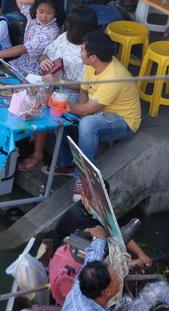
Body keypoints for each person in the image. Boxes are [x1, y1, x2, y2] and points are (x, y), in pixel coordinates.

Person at [56, 31, 142, 200]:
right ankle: (66, 163)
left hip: (123, 121)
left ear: (93, 56)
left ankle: (83, 178)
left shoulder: (114, 76)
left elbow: (87, 109)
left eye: (82, 50)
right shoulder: (92, 65)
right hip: (99, 112)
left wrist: (58, 105)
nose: (80, 53)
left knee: (87, 124)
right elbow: (83, 90)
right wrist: (75, 111)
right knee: (66, 118)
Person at [17, 6, 99, 171]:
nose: (67, 25)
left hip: (74, 94)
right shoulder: (64, 37)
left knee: (44, 106)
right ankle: (24, 142)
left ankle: (43, 156)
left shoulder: (88, 52)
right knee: (25, 94)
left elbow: (84, 86)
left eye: (70, 23)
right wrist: (44, 60)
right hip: (53, 84)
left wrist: (58, 81)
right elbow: (45, 53)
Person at [53, 181, 153, 270]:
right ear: (84, 196)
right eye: (94, 200)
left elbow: (116, 232)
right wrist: (130, 264)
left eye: (102, 201)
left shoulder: (99, 210)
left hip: (86, 245)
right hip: (67, 255)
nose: (98, 204)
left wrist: (141, 254)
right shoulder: (78, 218)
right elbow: (92, 256)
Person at [0, 0, 63, 76]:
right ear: (36, 9)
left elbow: (23, 49)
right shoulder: (33, 17)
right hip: (20, 62)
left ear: (56, 13)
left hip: (34, 71)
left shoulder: (52, 30)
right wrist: (40, 0)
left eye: (49, 13)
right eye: (41, 11)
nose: (43, 16)